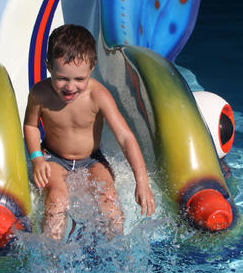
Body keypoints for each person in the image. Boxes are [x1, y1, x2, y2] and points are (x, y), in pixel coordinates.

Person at [23, 24, 155, 240]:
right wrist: (37, 158)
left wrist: (142, 182)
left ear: (92, 68)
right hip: (54, 158)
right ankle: (51, 252)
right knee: (57, 199)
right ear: (48, 67)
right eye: (62, 78)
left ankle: (116, 248)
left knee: (108, 199)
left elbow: (125, 137)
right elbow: (30, 126)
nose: (70, 87)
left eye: (79, 79)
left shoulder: (98, 95)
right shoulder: (40, 94)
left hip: (92, 159)